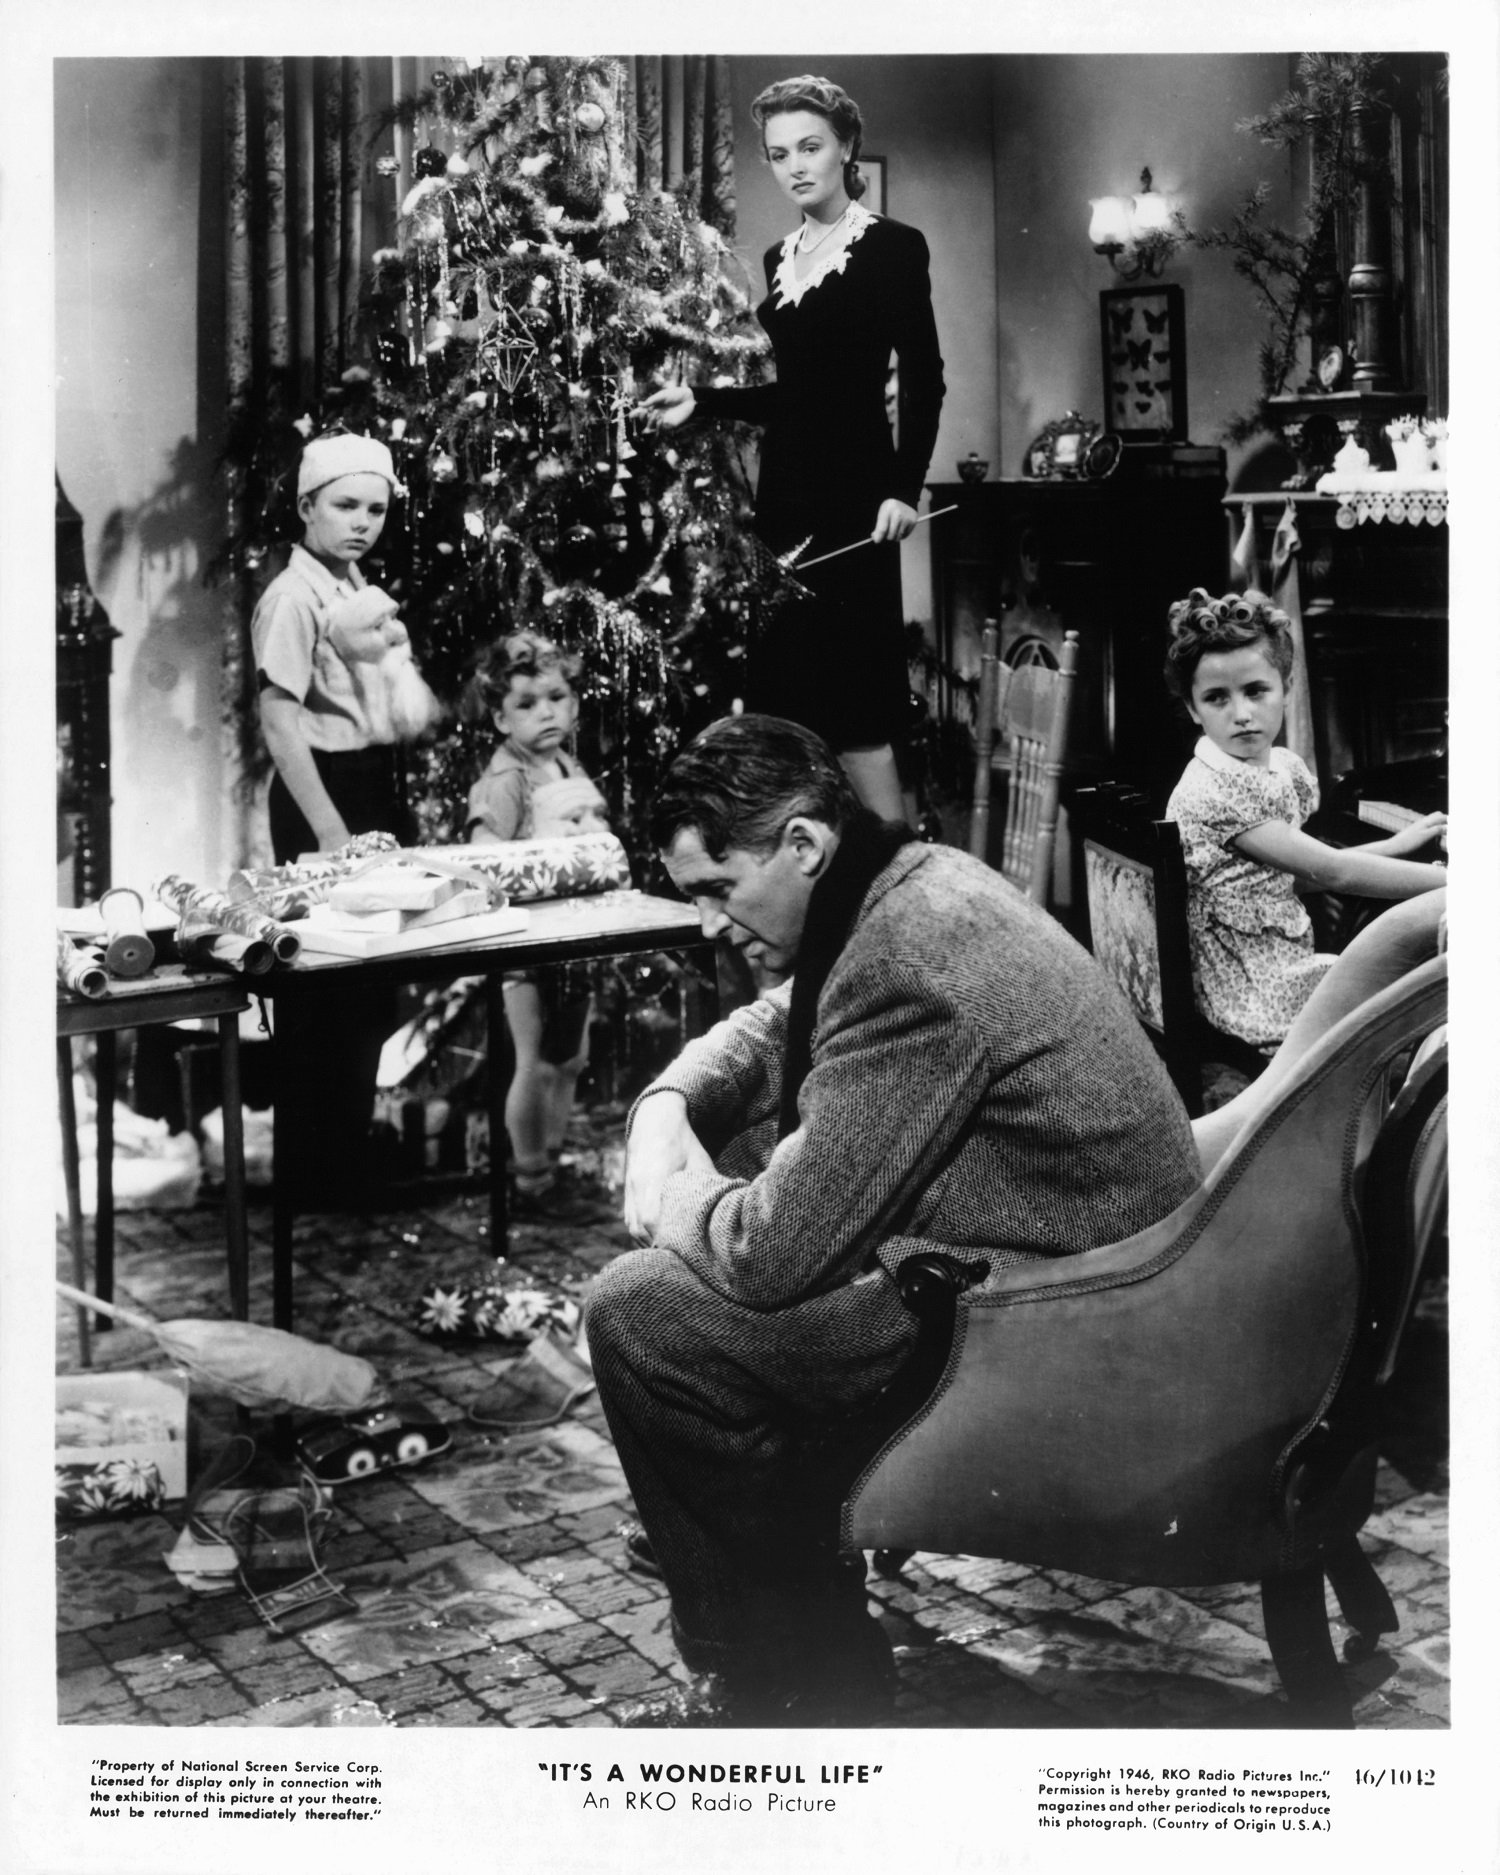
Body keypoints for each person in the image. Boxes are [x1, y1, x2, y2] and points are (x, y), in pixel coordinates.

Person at [584, 713, 1204, 1726]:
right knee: (720, 1215)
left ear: (801, 844)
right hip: (1067, 1271)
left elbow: (767, 1255)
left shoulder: (908, 958)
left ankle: (779, 1677)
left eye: (717, 887)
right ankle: (763, 1561)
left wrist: (669, 1193)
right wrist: (667, 1107)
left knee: (643, 1314)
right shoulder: (910, 882)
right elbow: (779, 1022)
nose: (706, 924)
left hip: (1065, 1324)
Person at [638, 73, 945, 823]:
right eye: (780, 155)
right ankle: (820, 874)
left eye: (810, 147)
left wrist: (903, 488)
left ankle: (898, 868)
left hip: (856, 504)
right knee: (792, 704)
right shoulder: (781, 257)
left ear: (847, 147)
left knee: (857, 711)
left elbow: (926, 378)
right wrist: (703, 400)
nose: (796, 167)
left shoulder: (893, 246)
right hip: (784, 502)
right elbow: (795, 397)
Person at [251, 432, 440, 1207]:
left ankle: (345, 1161)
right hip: (321, 796)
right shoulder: (291, 598)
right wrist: (331, 831)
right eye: (345, 506)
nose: (362, 522)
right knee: (322, 986)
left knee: (368, 986)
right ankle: (309, 1173)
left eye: (376, 509)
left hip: (368, 785)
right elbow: (278, 722)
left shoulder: (354, 584)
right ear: (306, 506)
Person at [1164, 588, 1446, 1050]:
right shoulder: (1217, 789)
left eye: (1255, 691)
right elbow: (1332, 871)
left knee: (1405, 979)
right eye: (1217, 698)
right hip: (1250, 992)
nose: (1242, 714)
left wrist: (1394, 846)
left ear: (1287, 688)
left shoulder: (1270, 769)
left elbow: (1293, 875)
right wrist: (1460, 884)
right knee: (1411, 980)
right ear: (1193, 708)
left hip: (1270, 968)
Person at [463, 631, 611, 1212]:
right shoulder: (507, 780)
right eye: (526, 704)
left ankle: (550, 1159)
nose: (545, 713)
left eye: (556, 698)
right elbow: (481, 855)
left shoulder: (564, 764)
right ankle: (530, 1178)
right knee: (535, 1059)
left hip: (575, 932)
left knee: (570, 1057)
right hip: (529, 939)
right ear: (501, 718)